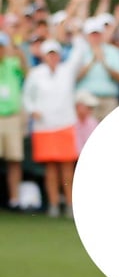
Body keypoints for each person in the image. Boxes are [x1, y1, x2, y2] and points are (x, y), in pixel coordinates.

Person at [23, 40, 81, 217]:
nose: (52, 57)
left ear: (59, 55)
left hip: (65, 123)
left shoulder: (67, 70)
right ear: (44, 56)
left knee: (67, 166)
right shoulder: (36, 73)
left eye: (55, 53)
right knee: (50, 167)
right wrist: (33, 110)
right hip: (44, 126)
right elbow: (27, 96)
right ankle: (54, 204)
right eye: (49, 54)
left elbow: (79, 51)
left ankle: (70, 204)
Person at [0, 32, 27, 210]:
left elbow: (26, 71)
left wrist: (18, 52)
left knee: (14, 159)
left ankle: (15, 200)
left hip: (12, 117)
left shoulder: (12, 63)